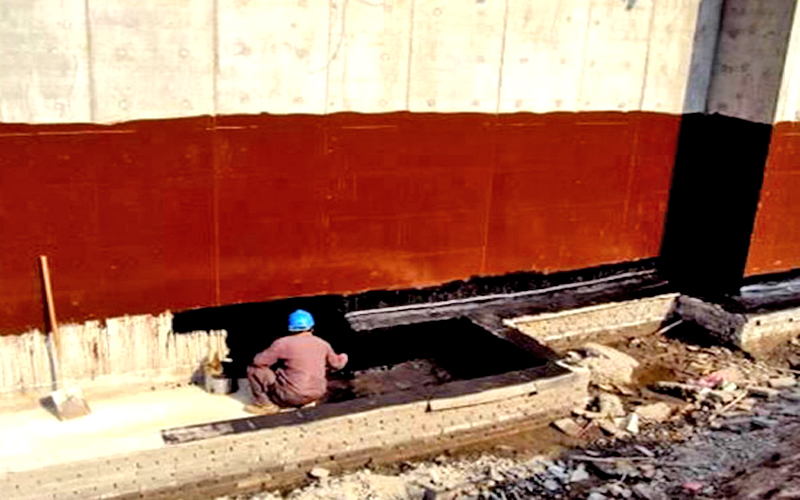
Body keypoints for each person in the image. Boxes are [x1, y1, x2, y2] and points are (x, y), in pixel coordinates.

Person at [245, 309, 348, 415]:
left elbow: (258, 362)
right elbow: (337, 365)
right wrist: (344, 356)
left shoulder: (282, 343)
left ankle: (265, 405)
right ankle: (306, 402)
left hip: (289, 397)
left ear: (290, 328)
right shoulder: (323, 344)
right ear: (312, 327)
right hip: (316, 394)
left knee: (253, 369)